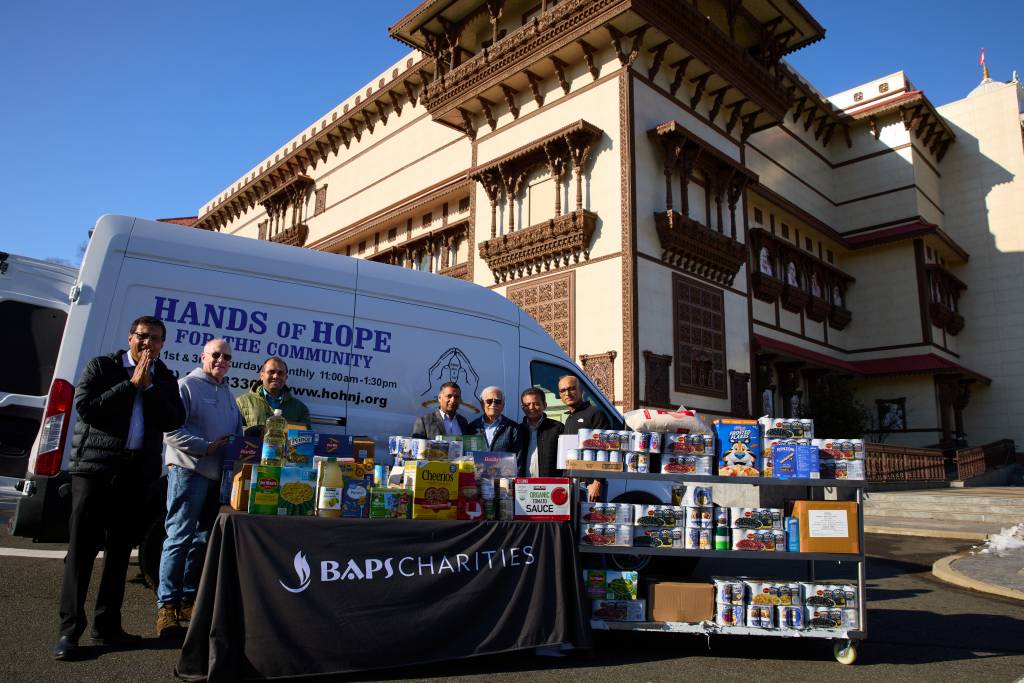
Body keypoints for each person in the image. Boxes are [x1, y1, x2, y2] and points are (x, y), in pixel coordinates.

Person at [53, 316, 186, 660]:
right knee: (81, 552)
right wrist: (130, 385)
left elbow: (174, 419)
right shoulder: (102, 367)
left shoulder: (164, 377)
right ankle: (69, 631)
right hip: (95, 470)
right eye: (142, 336)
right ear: (130, 337)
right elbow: (87, 408)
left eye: (155, 339)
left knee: (119, 553)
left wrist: (150, 388)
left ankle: (107, 626)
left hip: (135, 474)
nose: (148, 344)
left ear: (162, 344)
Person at [156, 338, 243, 638]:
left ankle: (186, 601)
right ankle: (166, 608)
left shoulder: (227, 392)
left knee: (201, 540)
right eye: (216, 355)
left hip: (216, 478)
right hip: (189, 471)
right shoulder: (186, 386)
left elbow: (235, 433)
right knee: (179, 538)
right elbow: (169, 430)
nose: (221, 361)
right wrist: (205, 447)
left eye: (227, 357)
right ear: (203, 356)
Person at [557, 374, 610, 502]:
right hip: (571, 484)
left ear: (581, 390)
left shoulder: (595, 414)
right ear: (560, 395)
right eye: (563, 390)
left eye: (571, 389)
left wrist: (597, 482)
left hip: (589, 486)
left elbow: (605, 450)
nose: (567, 393)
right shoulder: (569, 418)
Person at [236, 356, 310, 435]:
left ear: (286, 378)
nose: (276, 376)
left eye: (280, 373)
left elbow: (306, 436)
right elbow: (233, 430)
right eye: (271, 372)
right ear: (262, 375)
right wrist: (255, 432)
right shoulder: (242, 402)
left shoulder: (300, 409)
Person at [519, 387, 564, 477]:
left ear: (545, 405)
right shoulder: (517, 430)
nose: (531, 407)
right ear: (522, 407)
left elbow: (564, 460)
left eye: (536, 404)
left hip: (550, 484)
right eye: (527, 404)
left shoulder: (557, 428)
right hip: (522, 484)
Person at [468, 386, 522, 453]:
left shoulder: (513, 428)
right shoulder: (471, 428)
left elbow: (518, 457)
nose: (493, 404)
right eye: (489, 401)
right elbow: (468, 455)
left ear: (503, 405)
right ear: (482, 404)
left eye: (497, 401)